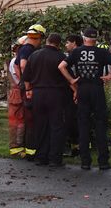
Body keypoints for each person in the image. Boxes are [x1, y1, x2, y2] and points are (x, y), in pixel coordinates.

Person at [59, 27, 111, 170]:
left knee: (83, 124)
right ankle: (103, 162)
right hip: (97, 89)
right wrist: (110, 76)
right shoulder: (101, 52)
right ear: (95, 39)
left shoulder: (76, 52)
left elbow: (61, 66)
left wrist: (71, 80)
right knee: (100, 123)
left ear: (84, 38)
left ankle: (85, 162)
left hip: (82, 89)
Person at [23, 33, 67, 167]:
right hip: (55, 93)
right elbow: (67, 75)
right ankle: (55, 159)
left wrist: (28, 91)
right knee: (56, 126)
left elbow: (26, 77)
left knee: (41, 125)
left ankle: (42, 156)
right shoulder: (61, 57)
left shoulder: (34, 55)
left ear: (47, 41)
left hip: (38, 93)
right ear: (58, 44)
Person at [17, 23, 46, 160]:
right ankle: (32, 152)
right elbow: (22, 65)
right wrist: (28, 85)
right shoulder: (28, 49)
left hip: (27, 86)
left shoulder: (23, 49)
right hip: (30, 88)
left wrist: (22, 81)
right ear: (38, 37)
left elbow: (18, 67)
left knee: (32, 119)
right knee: (32, 119)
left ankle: (32, 150)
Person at [63, 34, 83, 157]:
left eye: (67, 42)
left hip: (73, 92)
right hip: (85, 90)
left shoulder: (72, 57)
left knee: (71, 120)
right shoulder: (85, 55)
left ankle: (75, 146)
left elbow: (66, 73)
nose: (66, 45)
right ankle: (81, 146)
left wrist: (75, 89)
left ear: (74, 43)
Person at [7, 36, 27, 157]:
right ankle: (16, 147)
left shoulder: (16, 60)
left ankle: (19, 146)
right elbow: (21, 78)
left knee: (21, 121)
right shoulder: (16, 62)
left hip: (18, 92)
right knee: (18, 121)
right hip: (18, 93)